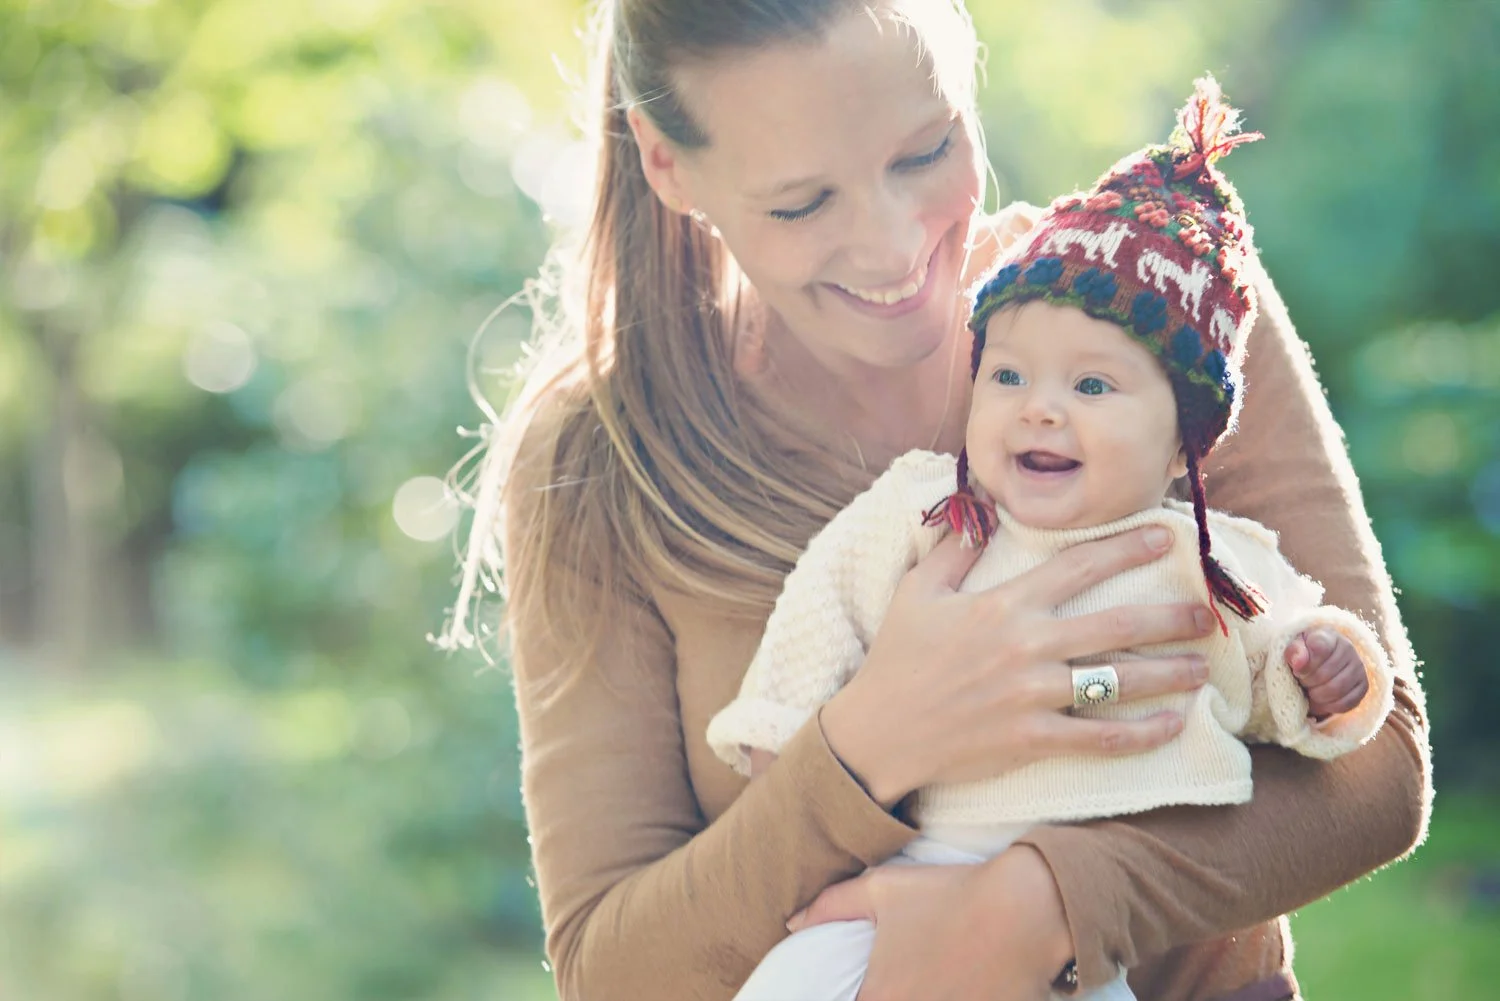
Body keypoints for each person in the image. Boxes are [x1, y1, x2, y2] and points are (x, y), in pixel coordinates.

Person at [438, 2, 1430, 999]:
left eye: (925, 152)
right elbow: (613, 970)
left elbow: (1378, 769)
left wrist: (1042, 904)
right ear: (666, 163)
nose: (892, 248)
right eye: (800, 204)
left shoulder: (1151, 308)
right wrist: (875, 740)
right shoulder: (606, 456)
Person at [707, 78, 1395, 1001]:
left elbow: (1275, 678)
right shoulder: (928, 511)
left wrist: (1325, 671)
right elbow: (821, 608)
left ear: (1180, 448)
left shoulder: (1206, 559)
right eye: (1009, 374)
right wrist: (782, 747)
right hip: (917, 869)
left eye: (1093, 388)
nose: (1039, 406)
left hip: (1093, 921)